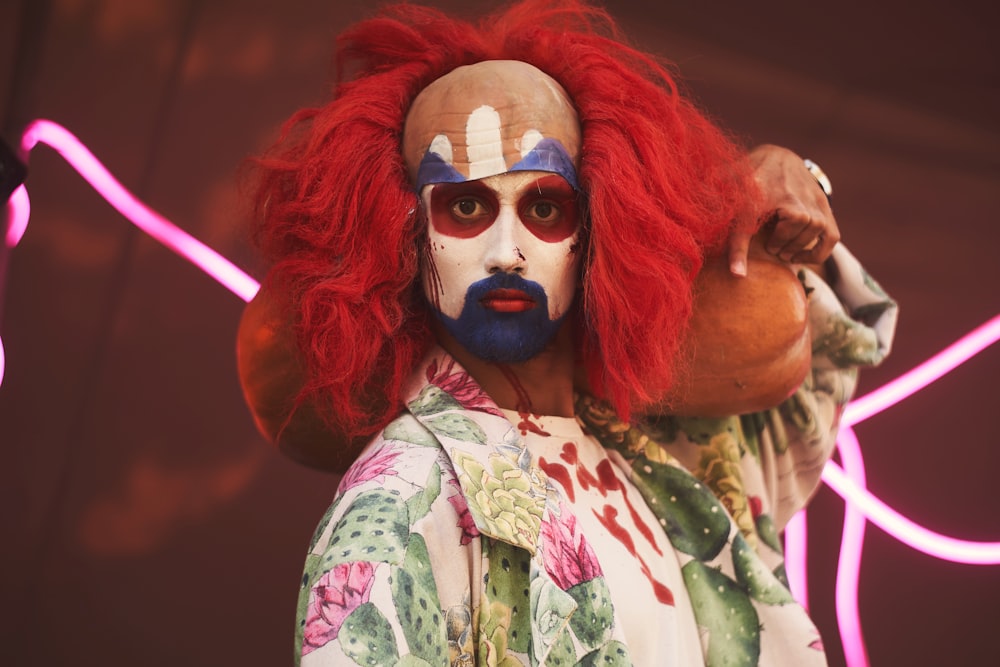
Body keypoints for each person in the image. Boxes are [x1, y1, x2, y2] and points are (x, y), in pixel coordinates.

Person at [247, 2, 897, 665]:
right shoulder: (397, 505)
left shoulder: (666, 458)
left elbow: (817, 359)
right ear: (404, 233)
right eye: (465, 205)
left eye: (545, 206)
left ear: (600, 225)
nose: (507, 251)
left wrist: (792, 194)